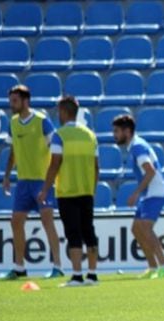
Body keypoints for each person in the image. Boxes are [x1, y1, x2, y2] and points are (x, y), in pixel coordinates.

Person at [0, 85, 64, 280]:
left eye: (15, 101)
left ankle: (57, 266)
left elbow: (56, 146)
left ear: (26, 101)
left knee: (47, 221)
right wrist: (7, 175)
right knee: (16, 222)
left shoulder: (41, 121)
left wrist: (52, 179)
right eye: (11, 100)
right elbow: (13, 151)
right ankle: (19, 267)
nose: (11, 104)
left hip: (41, 181)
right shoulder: (13, 122)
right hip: (23, 183)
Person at [37, 96, 99, 287]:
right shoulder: (90, 135)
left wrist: (45, 189)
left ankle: (77, 275)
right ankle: (92, 275)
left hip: (67, 191)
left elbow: (55, 163)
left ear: (64, 112)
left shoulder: (60, 135)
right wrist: (92, 188)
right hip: (86, 191)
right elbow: (97, 167)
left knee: (73, 233)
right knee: (88, 231)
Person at [111, 114, 164, 279]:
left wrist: (136, 193)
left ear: (127, 131)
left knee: (145, 228)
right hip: (149, 193)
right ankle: (153, 268)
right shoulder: (135, 146)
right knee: (136, 229)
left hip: (155, 192)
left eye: (117, 131)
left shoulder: (138, 147)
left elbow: (150, 171)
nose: (114, 135)